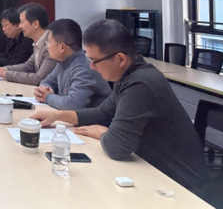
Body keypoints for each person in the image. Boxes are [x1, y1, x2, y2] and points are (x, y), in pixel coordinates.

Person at [31, 19, 208, 192]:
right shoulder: (128, 76)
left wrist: (102, 132)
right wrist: (57, 116)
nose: (91, 67)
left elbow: (117, 147)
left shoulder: (140, 84)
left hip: (181, 184)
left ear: (120, 59)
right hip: (151, 168)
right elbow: (102, 113)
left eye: (95, 61)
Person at [33, 18, 111, 109]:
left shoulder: (82, 68)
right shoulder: (63, 62)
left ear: (62, 47)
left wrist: (47, 97)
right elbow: (47, 81)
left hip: (97, 118)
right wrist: (45, 90)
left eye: (49, 42)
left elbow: (72, 104)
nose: (47, 46)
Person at [0, 2, 56, 85]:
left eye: (22, 22)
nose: (20, 26)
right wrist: (3, 69)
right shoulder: (38, 41)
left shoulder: (52, 44)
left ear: (35, 24)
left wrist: (7, 74)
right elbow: (27, 66)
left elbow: (39, 78)